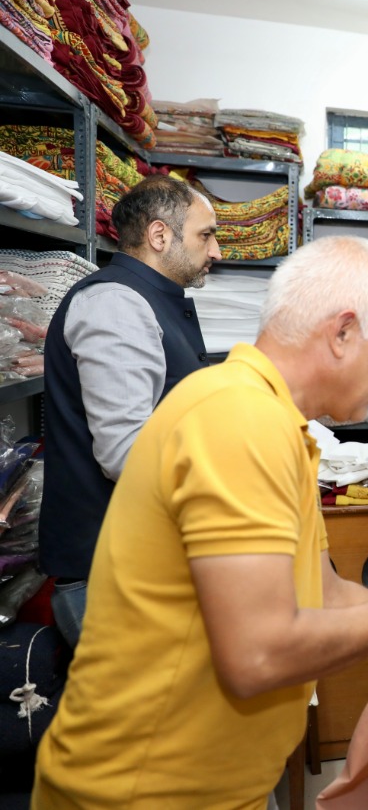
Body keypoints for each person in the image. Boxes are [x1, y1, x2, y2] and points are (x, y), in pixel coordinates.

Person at [32, 236, 368, 809]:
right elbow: (257, 655)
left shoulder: (277, 425)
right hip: (143, 794)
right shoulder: (238, 419)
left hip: (220, 786)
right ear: (343, 332)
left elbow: (328, 598)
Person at [39, 175, 221, 647]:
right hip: (112, 576)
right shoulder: (116, 305)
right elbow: (125, 453)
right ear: (160, 236)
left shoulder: (145, 300)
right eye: (206, 235)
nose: (216, 251)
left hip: (136, 566)